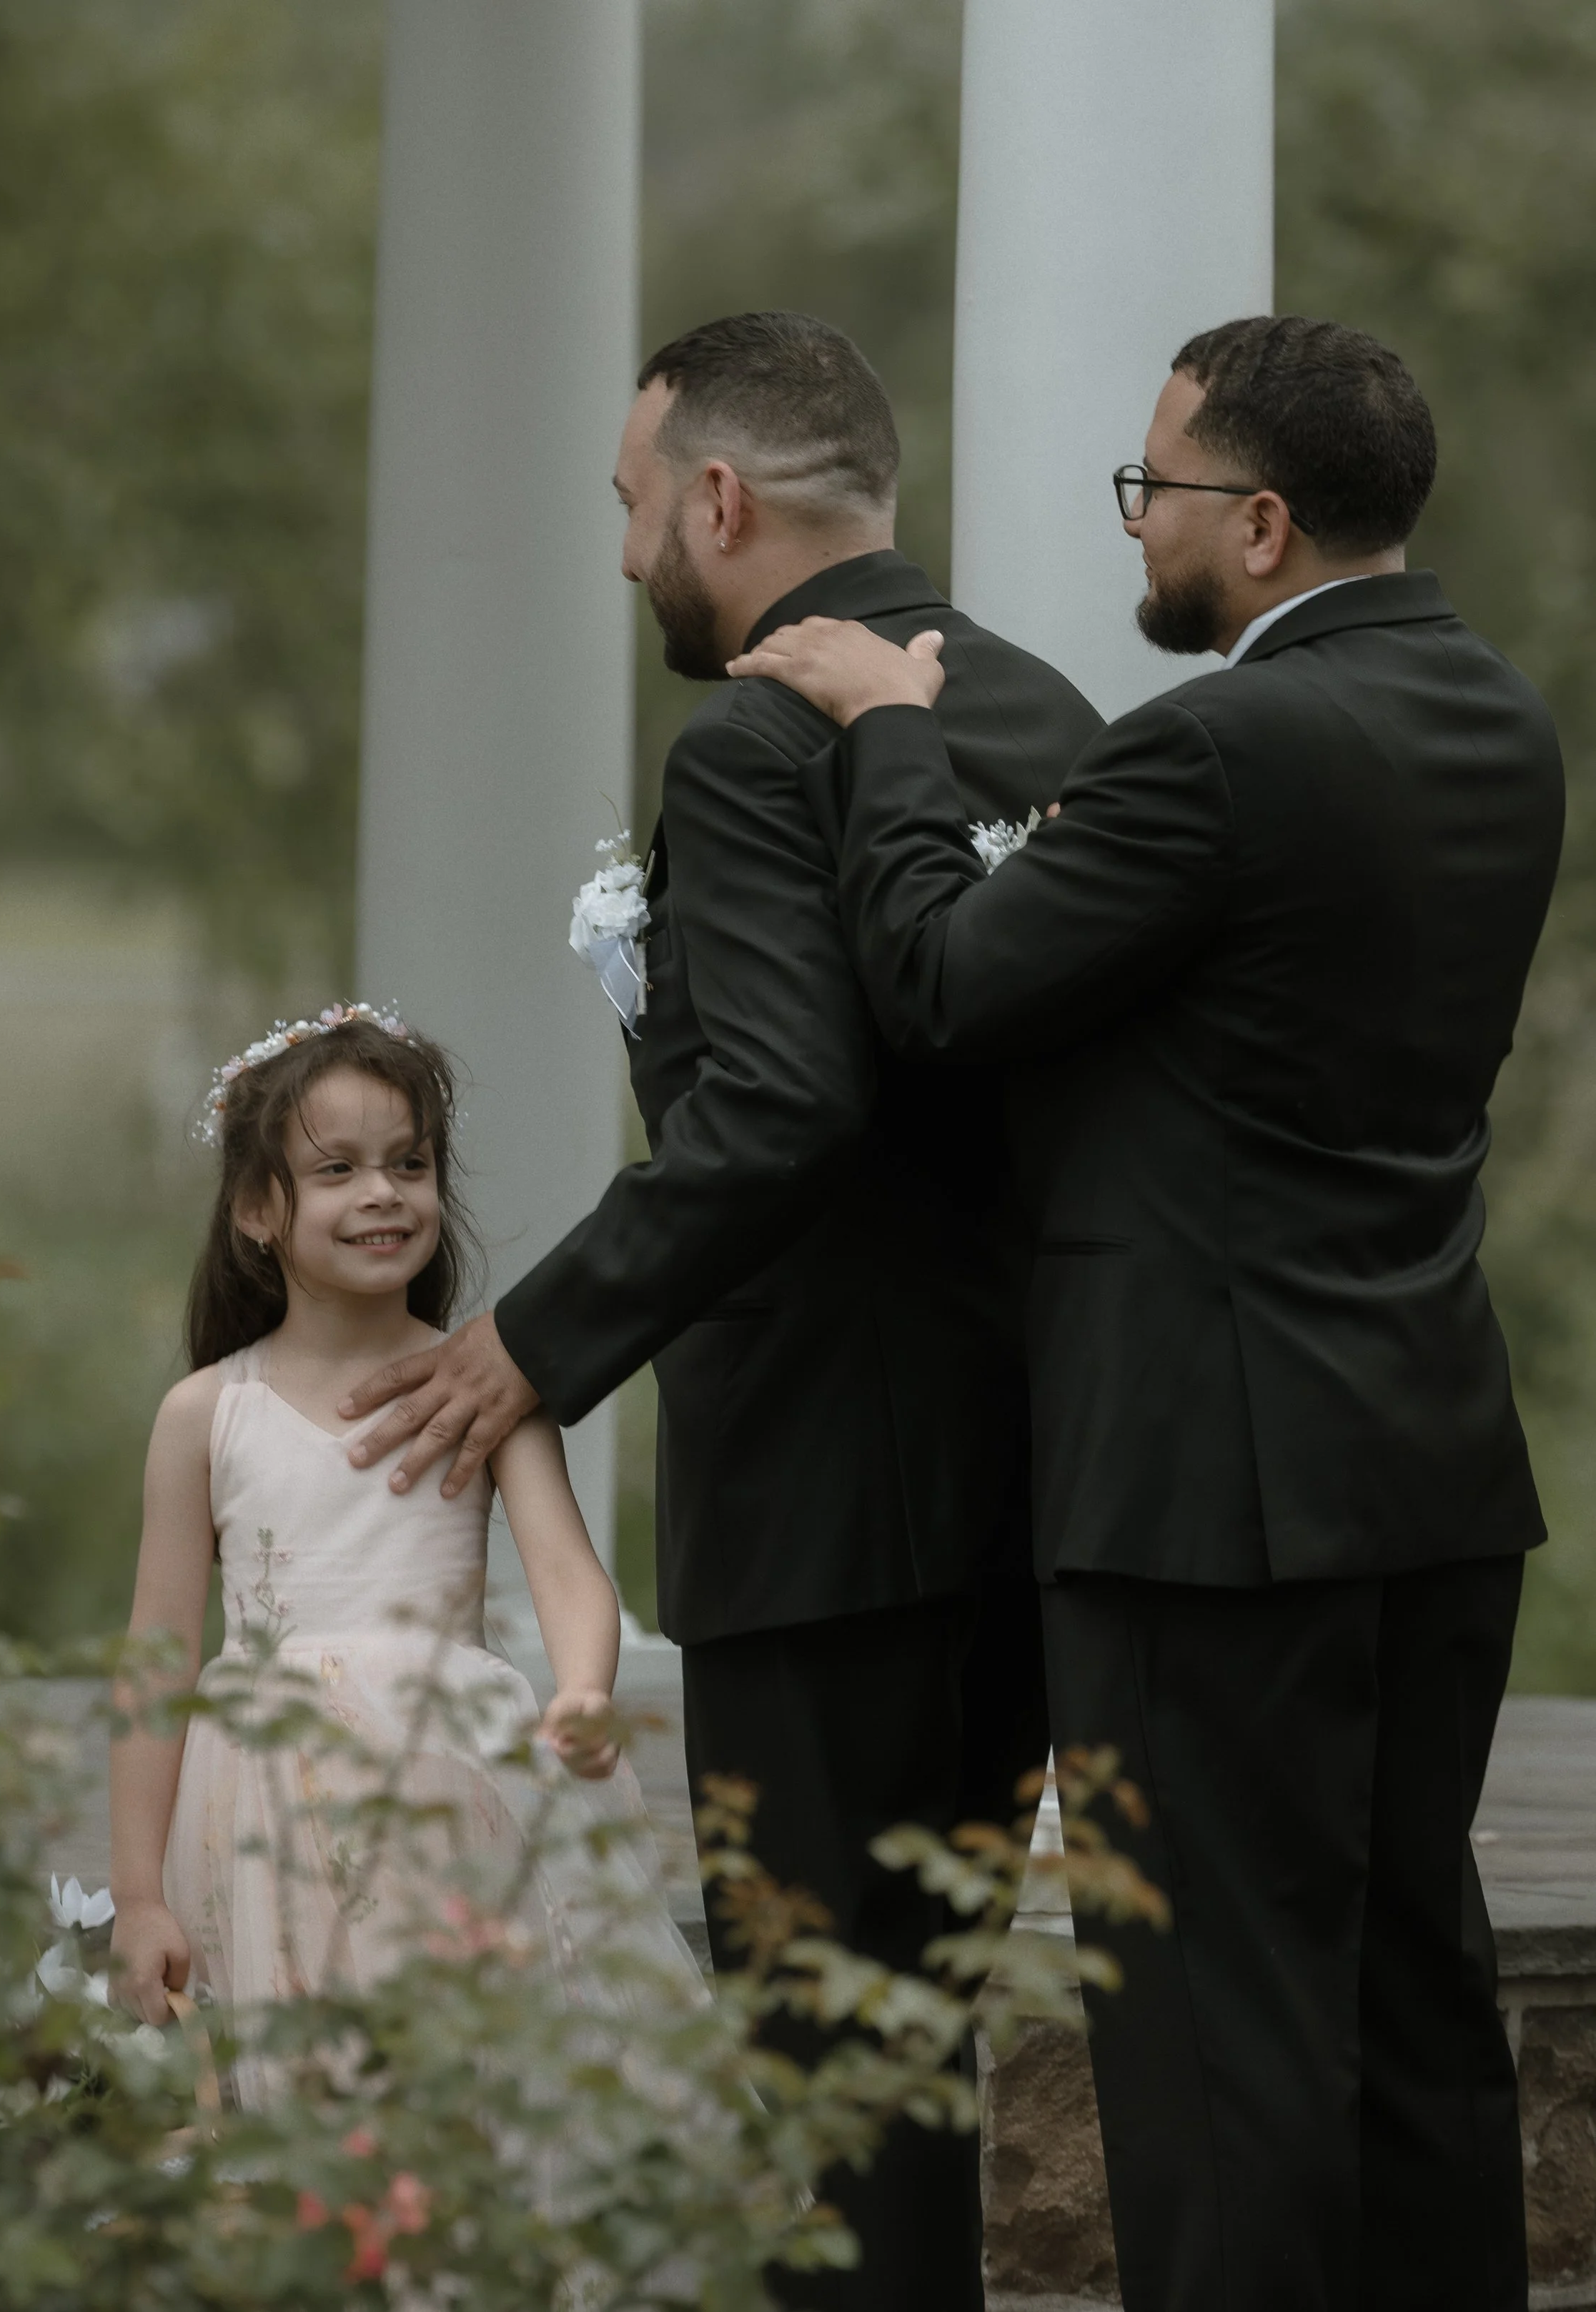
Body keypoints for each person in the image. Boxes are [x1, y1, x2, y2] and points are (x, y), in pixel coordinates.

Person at [729, 315, 1564, 2312]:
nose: (1137, 526)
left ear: (1258, 524)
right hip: (1430, 1478)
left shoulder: (1212, 744)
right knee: (1412, 2019)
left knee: (1217, 2052)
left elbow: (939, 978)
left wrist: (885, 732)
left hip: (1207, 1505)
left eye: (1153, 491)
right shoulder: (1496, 718)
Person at [339, 312, 1101, 2308]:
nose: (619, 558)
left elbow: (778, 1102)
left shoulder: (762, 737)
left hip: (829, 1513)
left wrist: (533, 1339)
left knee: (825, 2072)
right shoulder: (1045, 714)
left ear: (717, 499)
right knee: (908, 2039)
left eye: (624, 506)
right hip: (1035, 1492)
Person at [107, 1006, 694, 2097]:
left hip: (446, 1791)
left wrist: (583, 1686)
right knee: (308, 2095)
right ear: (254, 1209)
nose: (383, 1192)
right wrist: (137, 1892)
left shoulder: (486, 1384)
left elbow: (569, 1569)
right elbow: (155, 1665)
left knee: (458, 2087)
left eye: (410, 1163)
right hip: (262, 1813)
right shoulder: (204, 1414)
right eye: (336, 1169)